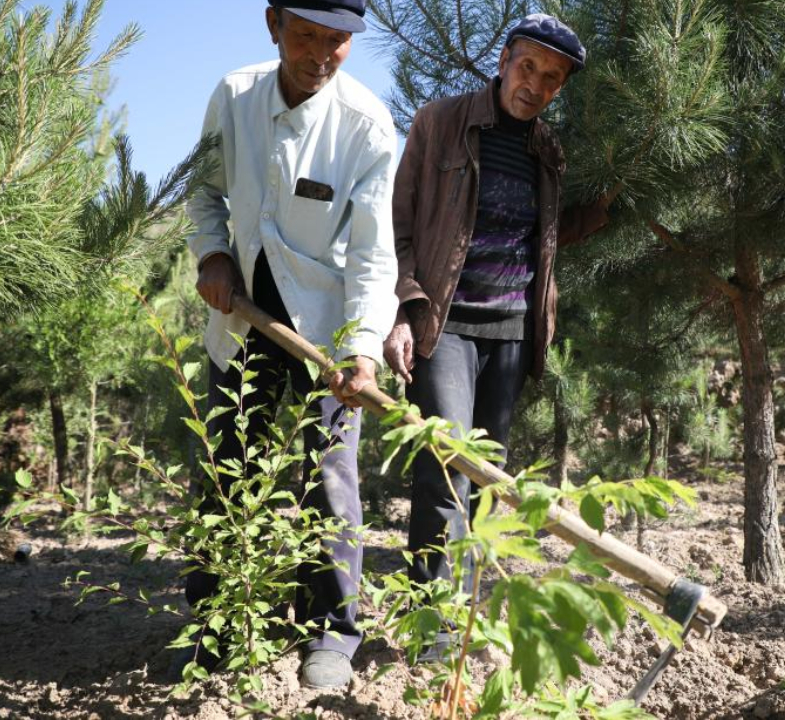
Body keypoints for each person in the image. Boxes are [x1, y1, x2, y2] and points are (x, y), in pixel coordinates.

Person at [182, 0, 397, 688]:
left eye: (338, 42)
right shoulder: (234, 96)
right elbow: (204, 191)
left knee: (332, 476)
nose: (321, 56)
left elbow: (372, 254)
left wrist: (361, 349)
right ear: (272, 23)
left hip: (327, 336)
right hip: (243, 319)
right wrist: (212, 255)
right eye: (306, 36)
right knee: (227, 469)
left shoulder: (366, 126)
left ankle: (332, 634)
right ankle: (218, 623)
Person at [385, 13, 608, 660]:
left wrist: (603, 208)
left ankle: (470, 618)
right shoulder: (440, 123)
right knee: (446, 466)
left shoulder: (549, 152)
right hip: (446, 323)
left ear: (560, 88)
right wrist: (404, 308)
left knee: (489, 482)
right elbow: (400, 223)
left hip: (511, 334)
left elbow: (540, 234)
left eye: (552, 78)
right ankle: (432, 627)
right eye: (528, 67)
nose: (535, 85)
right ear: (505, 57)